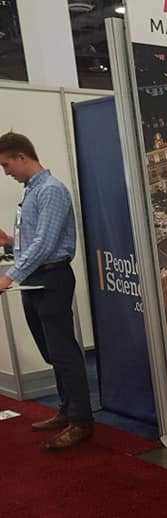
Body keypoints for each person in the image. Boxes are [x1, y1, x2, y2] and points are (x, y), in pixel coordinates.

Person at [0, 131, 93, 450]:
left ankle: (81, 421)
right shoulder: (32, 191)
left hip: (52, 279)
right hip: (36, 280)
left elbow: (45, 244)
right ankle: (67, 411)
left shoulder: (51, 190)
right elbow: (37, 240)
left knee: (64, 353)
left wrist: (8, 277)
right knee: (52, 352)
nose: (6, 172)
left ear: (22, 156)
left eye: (6, 165)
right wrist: (10, 243)